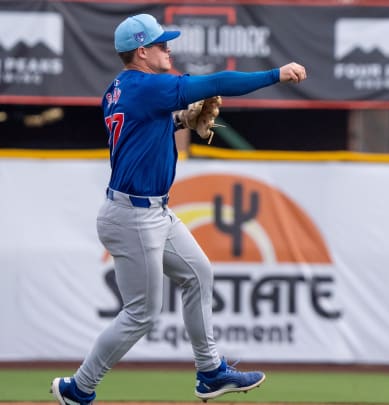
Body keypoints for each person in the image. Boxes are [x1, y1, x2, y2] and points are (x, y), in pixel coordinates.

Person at [50, 14, 307, 405]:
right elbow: (219, 82)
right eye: (161, 44)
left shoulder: (118, 89)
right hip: (133, 215)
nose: (168, 48)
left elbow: (141, 131)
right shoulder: (147, 86)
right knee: (141, 314)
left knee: (198, 274)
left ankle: (210, 372)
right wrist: (276, 73)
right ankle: (78, 388)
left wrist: (178, 121)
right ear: (141, 52)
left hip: (150, 212)